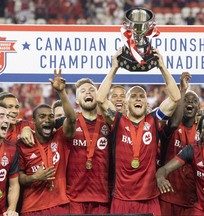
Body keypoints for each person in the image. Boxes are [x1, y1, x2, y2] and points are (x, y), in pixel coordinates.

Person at [96, 48, 181, 215]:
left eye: (141, 96)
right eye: (133, 96)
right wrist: (114, 68)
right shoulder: (118, 121)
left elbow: (176, 98)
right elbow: (100, 99)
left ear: (146, 102)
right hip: (122, 199)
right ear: (126, 103)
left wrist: (162, 67)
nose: (137, 99)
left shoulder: (154, 120)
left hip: (149, 198)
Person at [18, 69, 77, 215]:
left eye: (51, 116)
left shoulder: (60, 137)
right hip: (32, 207)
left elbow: (72, 118)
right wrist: (34, 178)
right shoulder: (23, 144)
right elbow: (17, 177)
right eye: (42, 117)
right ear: (33, 121)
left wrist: (61, 92)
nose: (47, 120)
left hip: (60, 205)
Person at [67, 77, 111, 214]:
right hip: (74, 197)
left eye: (92, 90)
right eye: (83, 91)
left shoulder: (108, 122)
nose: (88, 93)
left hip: (102, 197)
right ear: (77, 100)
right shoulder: (70, 122)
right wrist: (27, 128)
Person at [159, 72, 199, 216]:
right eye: (186, 100)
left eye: (194, 101)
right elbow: (175, 122)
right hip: (168, 197)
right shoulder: (171, 127)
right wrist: (182, 90)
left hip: (191, 200)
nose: (189, 103)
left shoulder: (202, 131)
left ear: (198, 109)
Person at [0, 101, 20, 216]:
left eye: (8, 117)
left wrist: (11, 209)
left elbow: (14, 185)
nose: (6, 121)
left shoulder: (12, 149)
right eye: (1, 116)